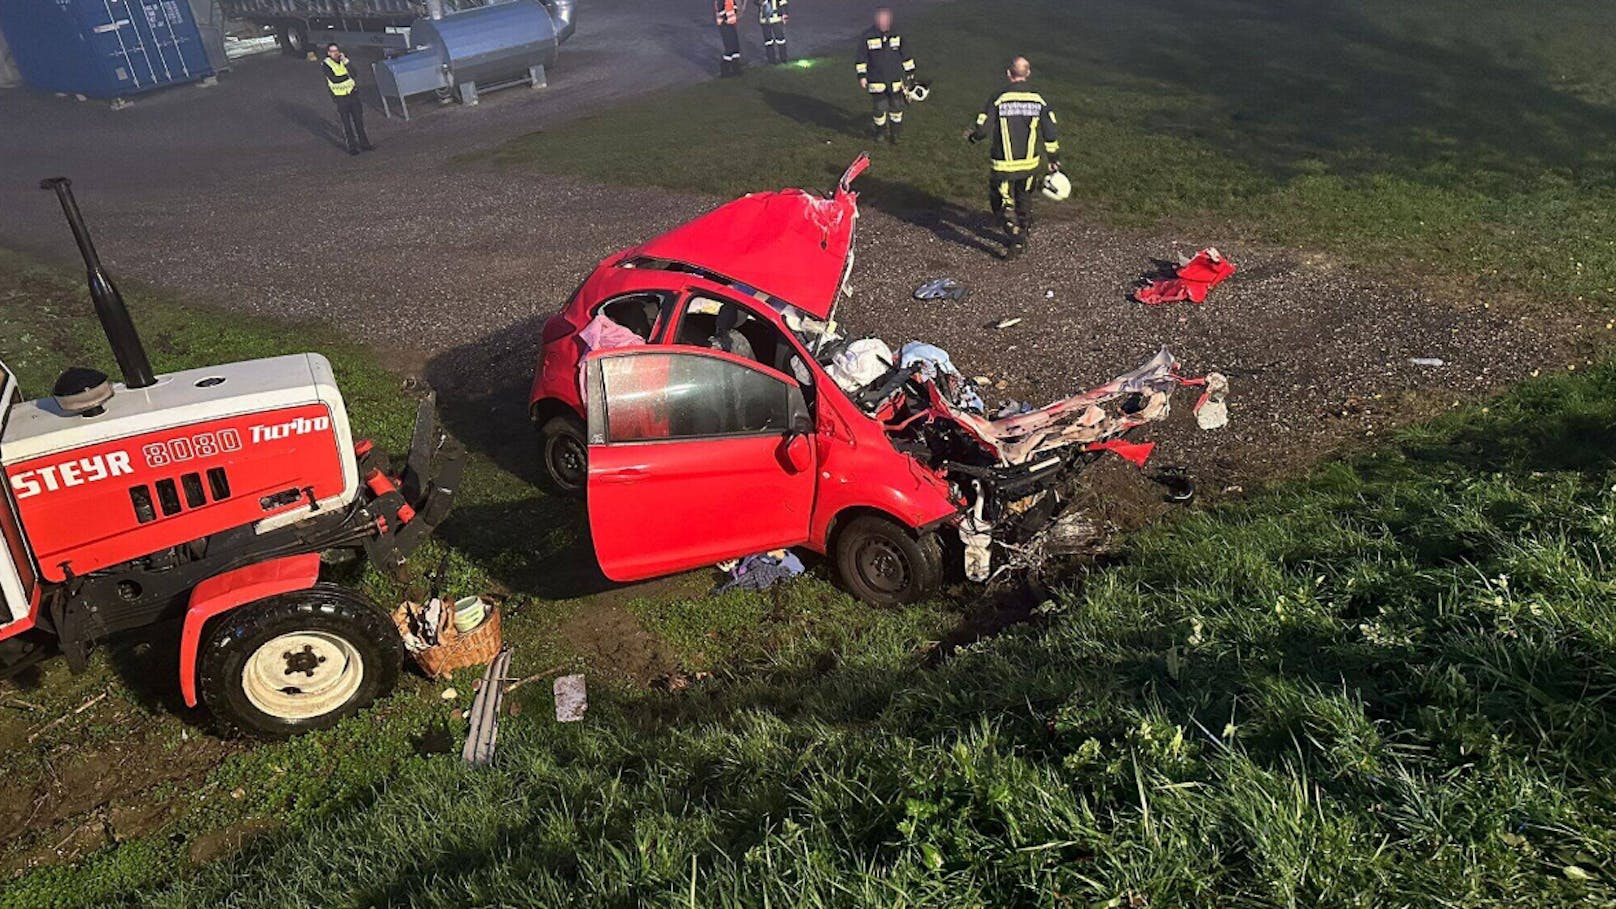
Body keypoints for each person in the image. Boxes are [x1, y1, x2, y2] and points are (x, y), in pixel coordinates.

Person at [965, 57, 1060, 258]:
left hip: (1003, 165)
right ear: (1028, 74)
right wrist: (1053, 158)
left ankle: (1016, 237)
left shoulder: (998, 98)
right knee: (1024, 198)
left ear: (1009, 74)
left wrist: (973, 137)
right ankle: (1023, 231)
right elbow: (1050, 132)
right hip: (1030, 165)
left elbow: (982, 128)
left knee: (1001, 202)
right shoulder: (1039, 100)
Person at [855, 7, 916, 144]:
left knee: (896, 107)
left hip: (895, 80)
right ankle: (880, 132)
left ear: (890, 20)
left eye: (886, 19)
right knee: (879, 107)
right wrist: (862, 76)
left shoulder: (897, 35)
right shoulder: (867, 37)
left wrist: (910, 73)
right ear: (876, 20)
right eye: (880, 19)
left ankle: (895, 134)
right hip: (876, 80)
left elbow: (906, 55)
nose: (883, 22)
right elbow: (861, 58)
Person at [323, 43, 373, 155]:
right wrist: (347, 76)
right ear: (328, 53)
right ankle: (352, 147)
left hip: (352, 94)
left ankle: (364, 144)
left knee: (359, 121)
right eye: (332, 51)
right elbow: (334, 79)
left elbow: (354, 73)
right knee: (347, 124)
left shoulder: (344, 61)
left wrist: (346, 62)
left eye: (336, 50)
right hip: (341, 98)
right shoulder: (326, 64)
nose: (335, 53)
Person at [715, 0, 744, 77]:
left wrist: (736, 11)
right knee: (729, 48)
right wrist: (726, 19)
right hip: (725, 25)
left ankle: (736, 68)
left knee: (735, 47)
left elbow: (733, 6)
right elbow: (720, 9)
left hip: (731, 24)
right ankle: (725, 70)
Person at [758, 0, 789, 65]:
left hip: (776, 19)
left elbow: (783, 2)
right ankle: (771, 60)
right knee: (768, 42)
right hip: (765, 20)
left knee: (780, 40)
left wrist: (785, 14)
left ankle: (783, 59)